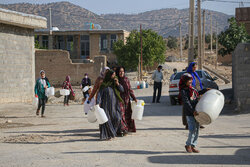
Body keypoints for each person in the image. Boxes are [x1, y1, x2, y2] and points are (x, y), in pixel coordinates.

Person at [179, 73, 207, 153]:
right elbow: (186, 102)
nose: (190, 81)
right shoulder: (183, 91)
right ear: (185, 81)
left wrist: (205, 90)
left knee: (197, 130)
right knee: (192, 130)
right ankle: (188, 145)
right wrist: (192, 111)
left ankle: (193, 145)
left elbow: (198, 93)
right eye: (189, 80)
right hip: (190, 113)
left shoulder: (192, 89)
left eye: (191, 79)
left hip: (197, 111)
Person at [96, 70, 124, 140]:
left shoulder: (114, 84)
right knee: (106, 120)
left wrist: (117, 84)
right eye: (112, 75)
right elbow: (99, 93)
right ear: (109, 75)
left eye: (114, 75)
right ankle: (108, 135)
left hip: (114, 105)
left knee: (117, 118)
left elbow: (122, 90)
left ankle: (113, 132)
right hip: (105, 105)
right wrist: (97, 102)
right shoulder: (104, 84)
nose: (114, 76)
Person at [116, 67, 137, 135]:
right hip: (120, 99)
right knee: (121, 114)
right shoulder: (116, 80)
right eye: (120, 71)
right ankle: (123, 129)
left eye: (123, 71)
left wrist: (134, 98)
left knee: (128, 114)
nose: (121, 73)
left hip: (127, 99)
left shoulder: (126, 79)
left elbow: (130, 89)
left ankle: (128, 128)